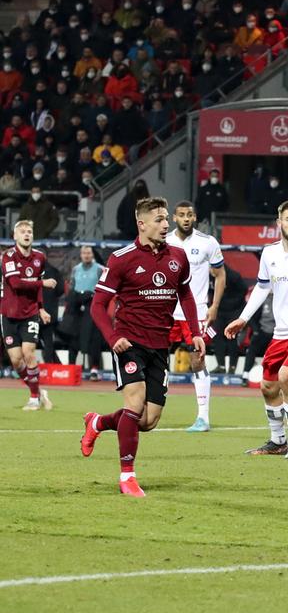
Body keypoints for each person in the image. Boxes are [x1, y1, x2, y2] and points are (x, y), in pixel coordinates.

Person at [81, 197, 206, 497]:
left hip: (159, 345)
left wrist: (195, 332)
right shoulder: (121, 259)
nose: (166, 224)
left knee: (148, 421)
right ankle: (127, 477)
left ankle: (97, 422)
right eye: (160, 219)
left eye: (167, 219)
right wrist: (113, 339)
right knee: (134, 406)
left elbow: (185, 295)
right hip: (129, 343)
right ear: (142, 224)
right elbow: (98, 306)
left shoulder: (178, 256)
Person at [222, 200, 288, 459]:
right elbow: (262, 287)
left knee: (286, 377)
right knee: (267, 386)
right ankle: (277, 441)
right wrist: (244, 318)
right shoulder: (269, 253)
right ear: (278, 222)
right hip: (280, 333)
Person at [165, 201, 225, 432]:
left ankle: (203, 417)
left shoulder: (208, 242)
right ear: (174, 218)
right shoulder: (164, 241)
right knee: (154, 356)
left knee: (197, 361)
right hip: (167, 312)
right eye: (181, 215)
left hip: (196, 312)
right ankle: (147, 407)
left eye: (190, 214)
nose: (186, 219)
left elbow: (220, 275)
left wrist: (214, 306)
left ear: (195, 217)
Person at [2, 220, 56, 410]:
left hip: (30, 313)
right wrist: (43, 283)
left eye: (30, 232)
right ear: (15, 236)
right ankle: (40, 391)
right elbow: (16, 284)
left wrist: (41, 308)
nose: (26, 234)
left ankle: (33, 397)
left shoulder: (39, 257)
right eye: (22, 232)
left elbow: (36, 285)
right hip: (8, 314)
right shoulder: (8, 256)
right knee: (17, 360)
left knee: (29, 354)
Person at [67, 244, 104, 379]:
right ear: (81, 255)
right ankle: (71, 369)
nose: (87, 255)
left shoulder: (100, 269)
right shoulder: (76, 269)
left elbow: (104, 289)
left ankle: (94, 369)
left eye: (89, 253)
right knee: (74, 337)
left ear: (92, 254)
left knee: (94, 338)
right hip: (78, 308)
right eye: (84, 253)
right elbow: (71, 286)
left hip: (93, 308)